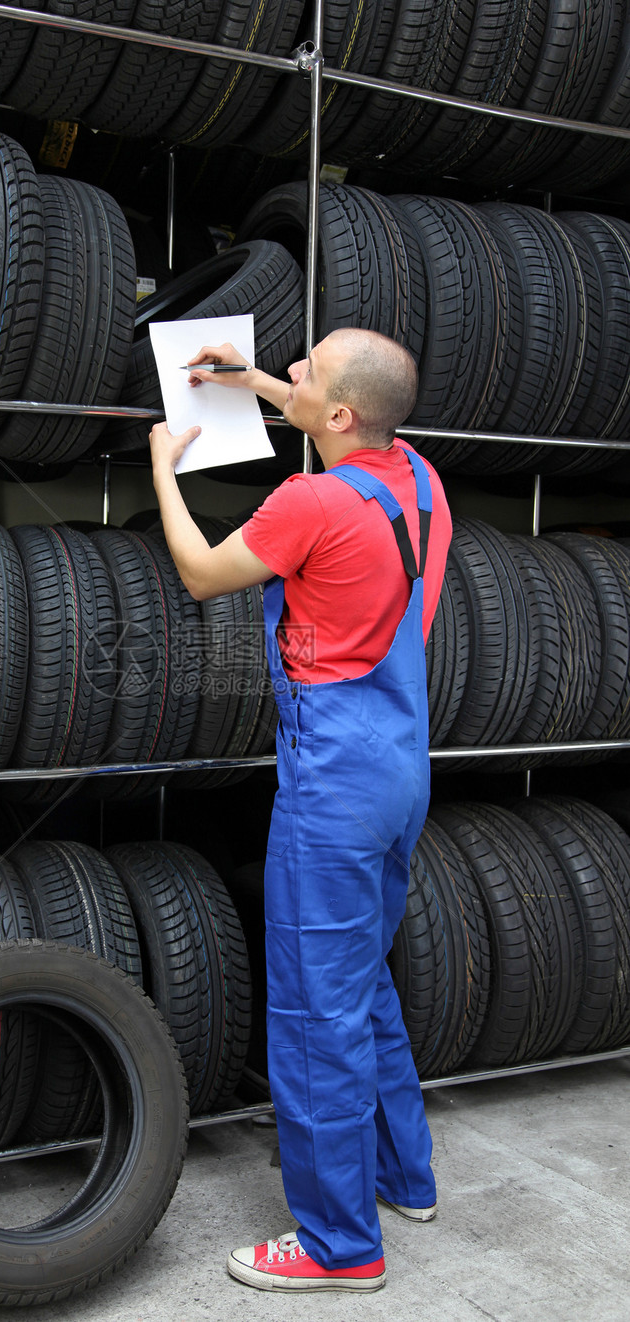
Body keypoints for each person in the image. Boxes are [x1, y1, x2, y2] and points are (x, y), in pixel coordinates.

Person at [147, 327, 452, 1293]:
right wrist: (254, 385)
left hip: (334, 784)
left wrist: (166, 468)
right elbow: (330, 413)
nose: (289, 377)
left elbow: (201, 572)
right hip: (403, 763)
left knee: (317, 1010)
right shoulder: (418, 480)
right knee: (361, 980)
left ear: (342, 415)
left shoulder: (309, 503)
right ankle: (407, 1175)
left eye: (304, 373)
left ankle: (338, 1246)